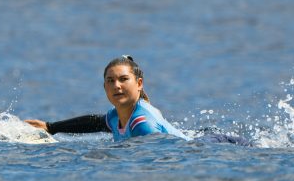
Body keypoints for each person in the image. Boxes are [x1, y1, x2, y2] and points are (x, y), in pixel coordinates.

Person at [25, 55, 189, 142]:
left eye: (123, 79)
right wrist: (49, 127)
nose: (116, 86)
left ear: (139, 84)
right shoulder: (115, 116)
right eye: (110, 81)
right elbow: (94, 123)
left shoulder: (141, 125)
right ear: (104, 87)